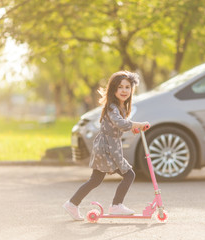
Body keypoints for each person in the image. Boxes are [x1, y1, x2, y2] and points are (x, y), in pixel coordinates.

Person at [63, 70, 149, 220]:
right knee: (129, 174)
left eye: (127, 87)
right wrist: (138, 124)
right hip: (107, 148)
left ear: (131, 89)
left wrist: (134, 129)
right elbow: (119, 123)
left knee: (95, 179)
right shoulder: (112, 107)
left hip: (109, 146)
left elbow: (118, 127)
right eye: (120, 87)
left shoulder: (120, 107)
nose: (124, 90)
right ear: (113, 89)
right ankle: (116, 206)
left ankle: (72, 204)